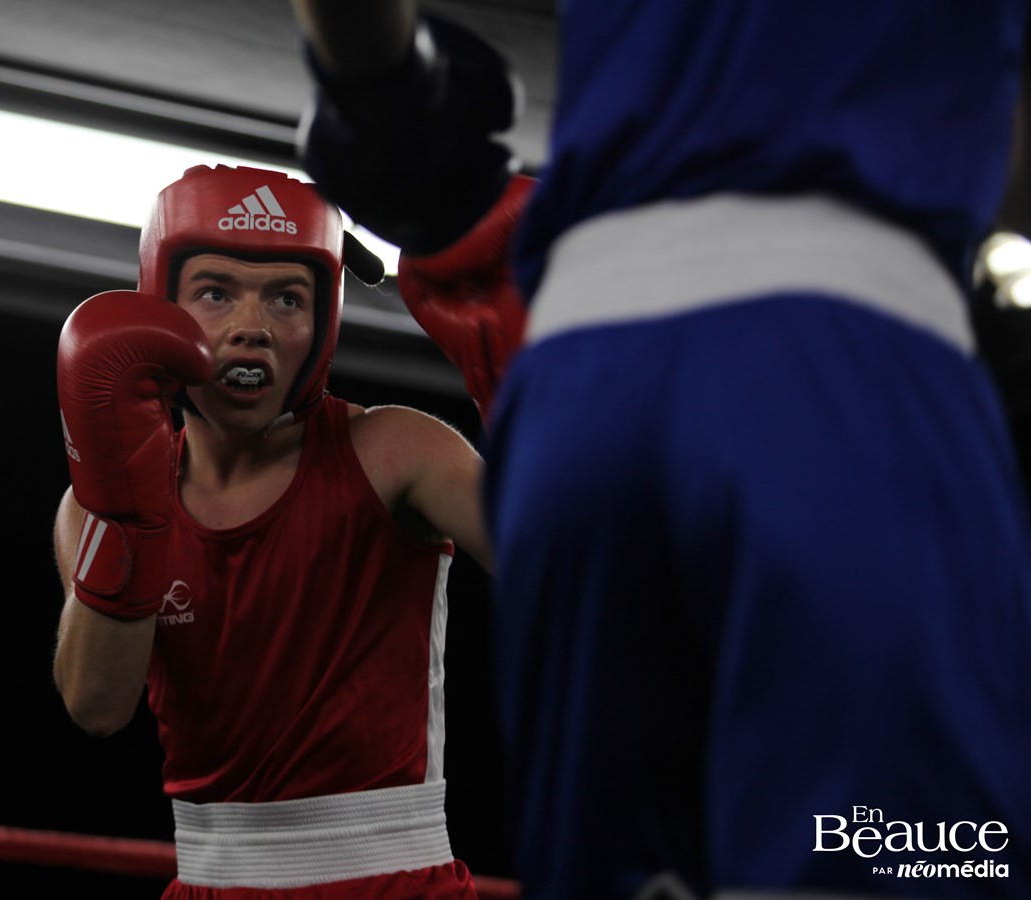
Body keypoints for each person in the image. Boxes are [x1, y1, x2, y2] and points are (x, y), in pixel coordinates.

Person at [288, 2, 1031, 899]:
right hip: (841, 350)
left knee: (621, 873)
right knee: (914, 859)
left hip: (581, 377)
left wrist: (380, 90)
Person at [50, 162, 494, 899]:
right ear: (159, 310)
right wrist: (130, 519)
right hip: (208, 882)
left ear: (323, 324)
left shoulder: (395, 451)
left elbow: (578, 577)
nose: (251, 327)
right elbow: (97, 705)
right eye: (215, 293)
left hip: (391, 882)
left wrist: (529, 387)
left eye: (287, 298)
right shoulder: (93, 506)